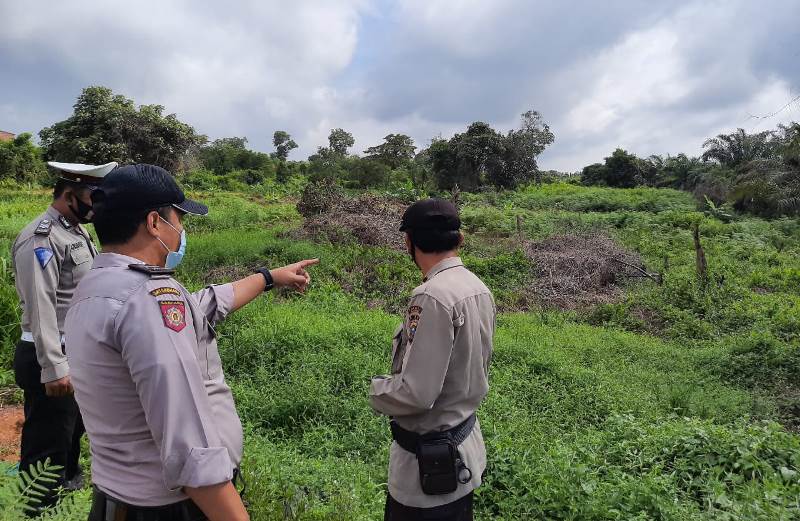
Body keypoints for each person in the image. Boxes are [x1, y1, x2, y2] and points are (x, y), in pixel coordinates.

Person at [64, 164, 318, 521]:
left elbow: (200, 308)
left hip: (115, 500)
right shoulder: (148, 299)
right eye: (178, 220)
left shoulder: (97, 288)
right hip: (169, 508)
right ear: (155, 223)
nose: (181, 231)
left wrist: (268, 278)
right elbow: (191, 452)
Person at [370, 199, 496, 521]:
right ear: (460, 239)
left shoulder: (431, 296)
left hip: (426, 476)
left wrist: (376, 391)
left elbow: (416, 393)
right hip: (463, 453)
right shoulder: (477, 287)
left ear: (408, 242)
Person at [11, 161, 117, 504]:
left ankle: (67, 494)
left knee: (71, 433)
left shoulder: (76, 230)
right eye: (93, 195)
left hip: (75, 351)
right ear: (70, 195)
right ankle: (35, 507)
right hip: (50, 354)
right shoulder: (41, 237)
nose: (96, 203)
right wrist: (54, 367)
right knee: (47, 447)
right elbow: (41, 307)